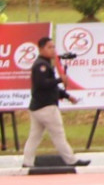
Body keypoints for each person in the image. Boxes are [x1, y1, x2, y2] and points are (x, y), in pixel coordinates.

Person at [21, 37, 88, 170]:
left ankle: (27, 162)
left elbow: (52, 87)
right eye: (49, 47)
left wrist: (67, 96)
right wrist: (59, 79)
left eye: (53, 47)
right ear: (41, 49)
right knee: (58, 134)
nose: (52, 50)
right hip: (46, 107)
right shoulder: (41, 65)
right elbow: (43, 84)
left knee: (34, 136)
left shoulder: (45, 64)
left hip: (37, 107)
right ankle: (71, 160)